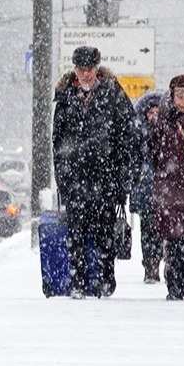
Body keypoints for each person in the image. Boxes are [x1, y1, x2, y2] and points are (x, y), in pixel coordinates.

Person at [51, 45, 141, 298]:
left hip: (106, 177)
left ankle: (105, 280)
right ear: (75, 70)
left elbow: (130, 134)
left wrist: (126, 173)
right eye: (81, 70)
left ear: (97, 68)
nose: (85, 75)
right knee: (76, 232)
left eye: (89, 69)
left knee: (104, 231)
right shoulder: (66, 97)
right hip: (75, 177)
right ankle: (78, 281)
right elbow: (57, 142)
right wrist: (62, 177)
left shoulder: (113, 93)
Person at [146, 74, 184, 300]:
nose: (183, 101)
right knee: (174, 242)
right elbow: (153, 152)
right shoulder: (162, 123)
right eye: (179, 96)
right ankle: (175, 286)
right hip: (170, 190)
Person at [130, 89, 166, 284]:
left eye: (156, 112)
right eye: (150, 113)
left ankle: (159, 262)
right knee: (148, 230)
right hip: (146, 191)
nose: (153, 116)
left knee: (162, 230)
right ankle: (150, 266)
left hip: (163, 190)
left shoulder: (166, 133)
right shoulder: (138, 134)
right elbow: (133, 160)